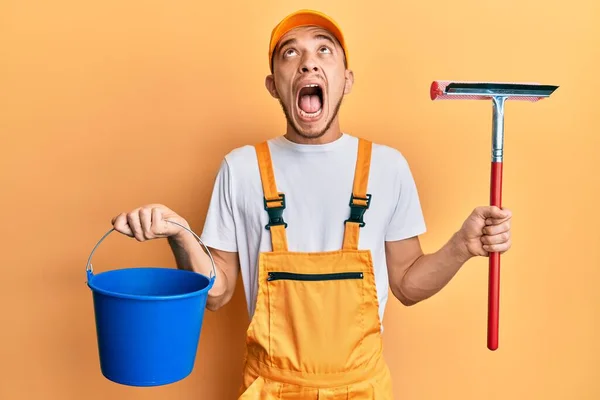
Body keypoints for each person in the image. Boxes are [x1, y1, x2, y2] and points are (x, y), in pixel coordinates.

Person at [111, 9, 512, 399]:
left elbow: (407, 284)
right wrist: (180, 233)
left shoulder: (388, 167)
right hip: (268, 389)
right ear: (273, 84)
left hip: (363, 390)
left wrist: (462, 246)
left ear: (347, 80)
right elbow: (216, 295)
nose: (308, 64)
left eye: (324, 51)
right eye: (291, 52)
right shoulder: (241, 168)